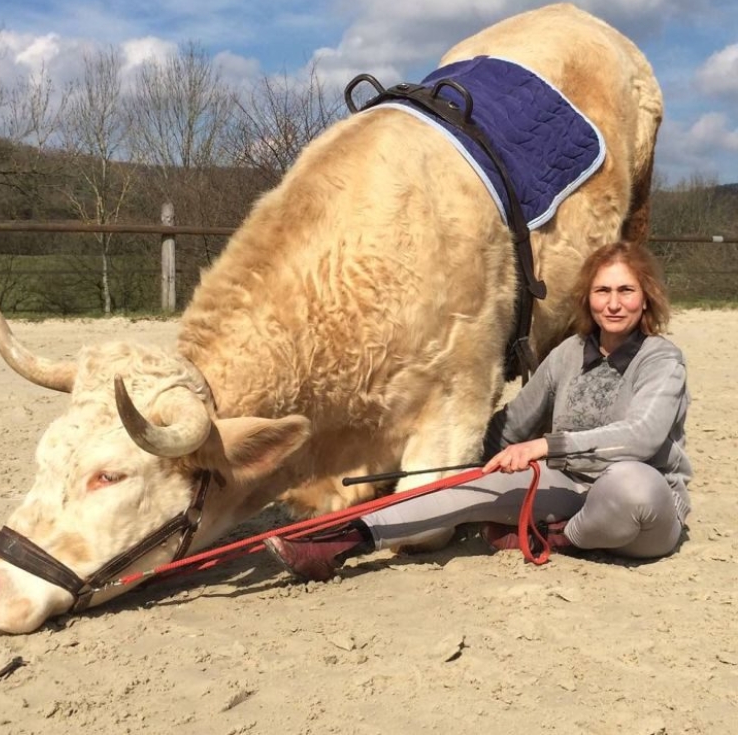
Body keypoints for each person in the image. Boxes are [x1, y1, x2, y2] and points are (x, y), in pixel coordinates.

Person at [264, 241, 692, 582]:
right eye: (603, 291)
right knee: (468, 485)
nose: (613, 303)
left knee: (629, 484)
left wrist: (544, 445)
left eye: (625, 291)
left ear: (645, 298)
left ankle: (559, 540)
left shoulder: (661, 359)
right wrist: (454, 460)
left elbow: (641, 437)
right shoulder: (568, 354)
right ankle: (337, 542)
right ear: (589, 298)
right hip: (568, 491)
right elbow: (511, 426)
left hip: (643, 512)